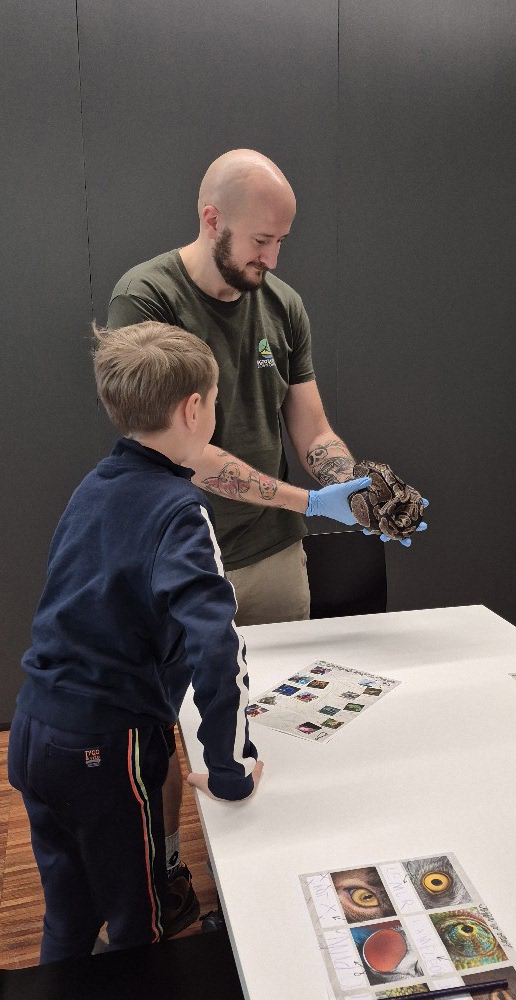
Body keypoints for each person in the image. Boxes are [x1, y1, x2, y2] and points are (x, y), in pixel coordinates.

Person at [107, 148, 425, 928]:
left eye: (281, 242)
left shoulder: (281, 305)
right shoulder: (147, 297)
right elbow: (186, 451)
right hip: (177, 556)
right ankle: (170, 871)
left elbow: (309, 426)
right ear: (210, 217)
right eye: (259, 240)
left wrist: (354, 484)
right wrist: (312, 498)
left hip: (273, 552)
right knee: (166, 727)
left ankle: (274, 886)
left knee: (270, 722)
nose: (271, 258)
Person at [8, 322, 264, 962]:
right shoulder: (181, 510)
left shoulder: (92, 485)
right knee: (140, 927)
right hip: (107, 750)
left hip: (35, 731)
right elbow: (218, 649)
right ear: (193, 409)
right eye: (215, 401)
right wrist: (230, 770)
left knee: (68, 915)